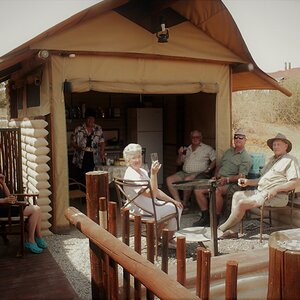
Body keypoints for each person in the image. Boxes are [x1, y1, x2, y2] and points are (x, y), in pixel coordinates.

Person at [219, 133, 300, 239]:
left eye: (278, 144)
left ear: (286, 146)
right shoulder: (271, 161)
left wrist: (276, 189)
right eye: (274, 145)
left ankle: (221, 229)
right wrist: (247, 182)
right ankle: (233, 231)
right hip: (261, 192)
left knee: (242, 203)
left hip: (276, 196)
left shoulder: (290, 160)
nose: (275, 147)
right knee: (237, 195)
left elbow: (295, 182)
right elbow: (260, 180)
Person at [123, 143, 183, 248]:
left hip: (148, 204)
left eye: (139, 156)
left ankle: (158, 238)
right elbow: (152, 194)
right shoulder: (132, 175)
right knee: (176, 209)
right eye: (133, 158)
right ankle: (166, 240)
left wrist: (173, 200)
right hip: (140, 209)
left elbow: (156, 191)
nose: (137, 160)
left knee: (175, 205)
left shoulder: (141, 171)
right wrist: (154, 174)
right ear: (128, 160)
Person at [193, 130, 252, 226]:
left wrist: (227, 179)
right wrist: (216, 175)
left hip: (232, 183)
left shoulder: (246, 157)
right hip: (219, 180)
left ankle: (216, 219)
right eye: (236, 137)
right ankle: (205, 217)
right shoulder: (228, 152)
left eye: (241, 137)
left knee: (216, 190)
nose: (237, 139)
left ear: (245, 140)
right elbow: (219, 166)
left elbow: (241, 176)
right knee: (198, 189)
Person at [166, 130, 216, 210]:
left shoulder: (207, 148)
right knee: (169, 179)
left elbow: (215, 159)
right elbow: (178, 163)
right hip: (184, 172)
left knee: (187, 180)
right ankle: (179, 203)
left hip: (198, 173)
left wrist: (209, 168)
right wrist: (180, 154)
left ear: (201, 138)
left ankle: (185, 203)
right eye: (193, 137)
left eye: (197, 137)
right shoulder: (187, 149)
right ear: (190, 138)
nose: (195, 139)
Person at [0, 173, 47, 254]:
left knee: (37, 209)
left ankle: (38, 237)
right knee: (36, 209)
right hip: (3, 211)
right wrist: (4, 200)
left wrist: (3, 183)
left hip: (7, 208)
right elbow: (4, 199)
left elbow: (8, 195)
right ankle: (31, 240)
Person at [71, 108, 106, 184]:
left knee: (93, 178)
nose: (91, 121)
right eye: (89, 119)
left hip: (94, 158)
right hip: (81, 158)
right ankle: (83, 194)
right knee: (81, 178)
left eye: (92, 119)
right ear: (85, 119)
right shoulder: (78, 129)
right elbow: (72, 143)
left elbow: (102, 142)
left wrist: (102, 152)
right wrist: (79, 148)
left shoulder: (98, 128)